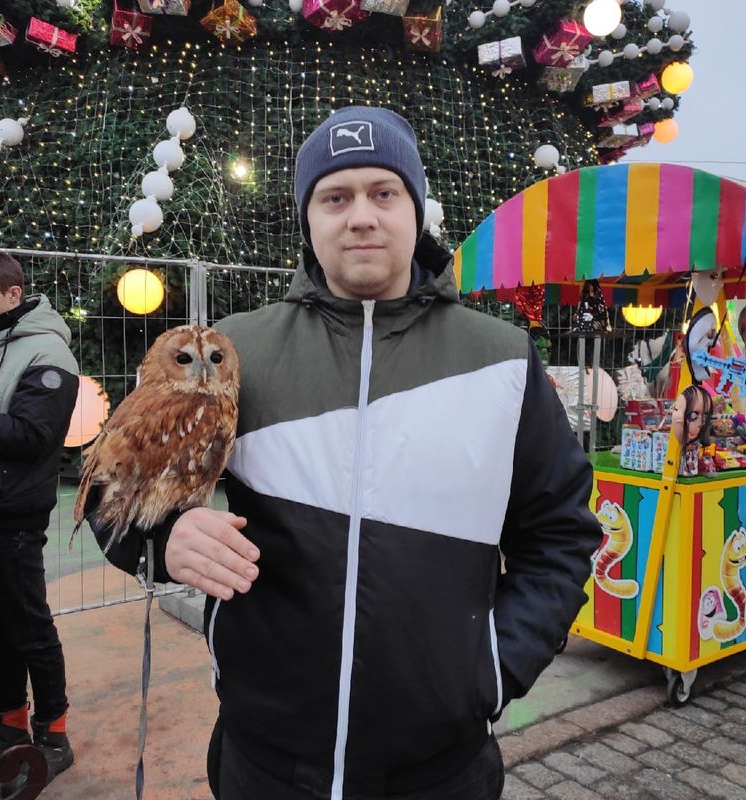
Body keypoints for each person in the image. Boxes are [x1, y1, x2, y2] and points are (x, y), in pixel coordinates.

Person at [95, 106, 601, 800]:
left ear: (415, 209)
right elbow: (108, 487)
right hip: (265, 761)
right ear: (309, 218)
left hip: (440, 771)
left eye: (382, 192)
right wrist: (163, 538)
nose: (360, 216)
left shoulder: (501, 358)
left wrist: (492, 668)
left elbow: (562, 535)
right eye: (335, 197)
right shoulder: (238, 351)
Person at [0, 250, 78, 795]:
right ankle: (8, 732)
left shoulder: (50, 354)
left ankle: (54, 737)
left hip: (15, 519)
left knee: (28, 629)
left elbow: (33, 436)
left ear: (13, 293)